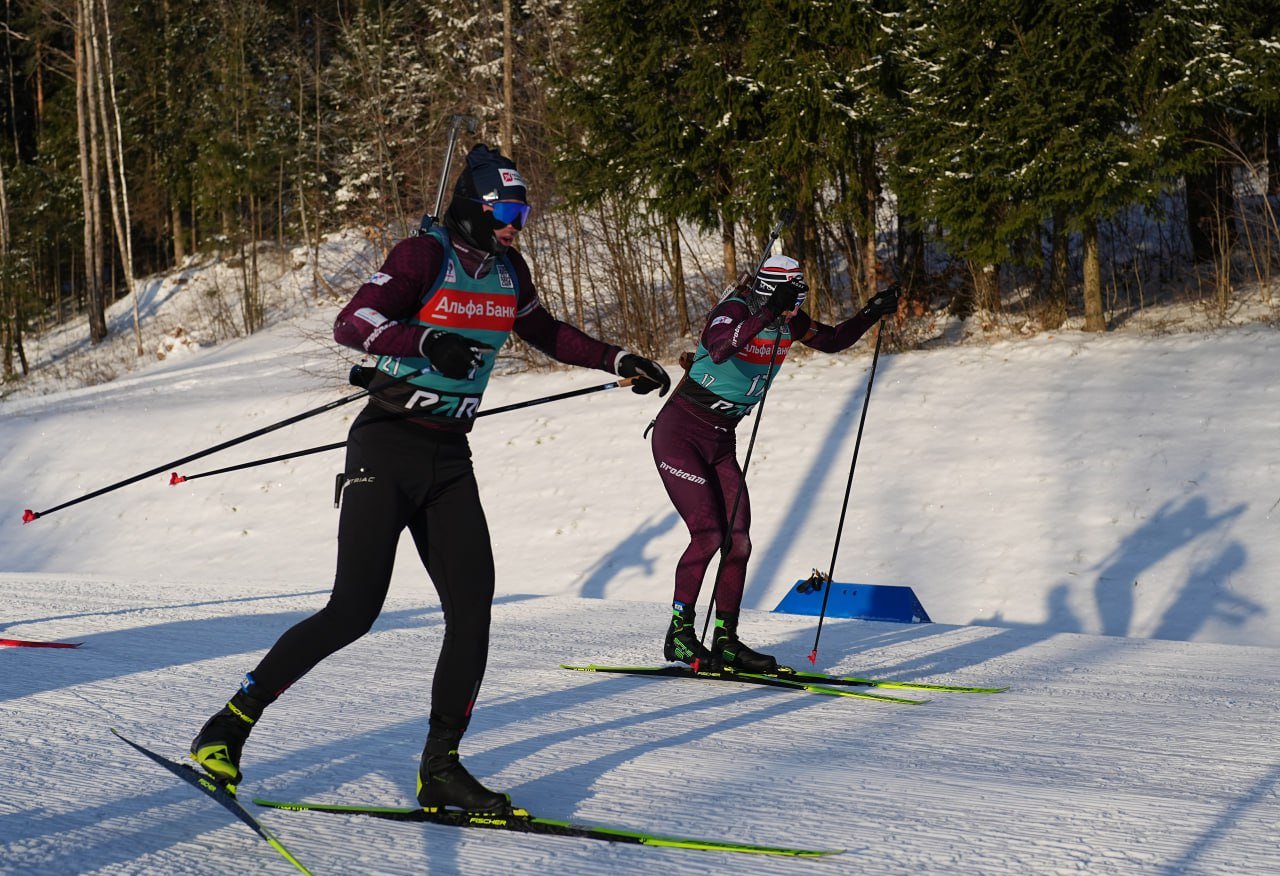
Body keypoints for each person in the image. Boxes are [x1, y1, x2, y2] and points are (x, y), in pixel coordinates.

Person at [189, 144, 670, 813]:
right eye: (506, 209)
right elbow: (352, 323)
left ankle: (440, 769)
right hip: (387, 446)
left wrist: (619, 358)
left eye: (523, 211)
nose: (516, 223)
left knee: (473, 611)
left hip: (449, 457)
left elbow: (546, 333)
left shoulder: (510, 271)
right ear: (473, 206)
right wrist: (423, 342)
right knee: (353, 611)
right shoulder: (421, 257)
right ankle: (228, 726)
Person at [649, 254, 899, 672]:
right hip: (680, 434)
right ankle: (679, 635)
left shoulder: (788, 320)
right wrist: (765, 311)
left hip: (720, 439)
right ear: (769, 291)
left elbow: (834, 339)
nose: (797, 305)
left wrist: (871, 312)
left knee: (739, 539)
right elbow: (719, 347)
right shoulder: (735, 310)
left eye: (801, 295)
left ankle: (726, 641)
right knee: (709, 534)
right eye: (790, 296)